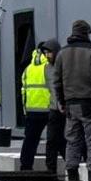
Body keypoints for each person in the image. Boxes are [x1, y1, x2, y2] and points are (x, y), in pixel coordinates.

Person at [49, 18, 91, 181]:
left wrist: (61, 101)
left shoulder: (62, 53)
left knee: (72, 140)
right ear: (87, 33)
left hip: (71, 105)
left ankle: (72, 177)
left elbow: (57, 81)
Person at [17, 39, 61, 173]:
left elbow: (24, 91)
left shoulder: (28, 69)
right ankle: (61, 168)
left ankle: (25, 166)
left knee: (30, 140)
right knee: (56, 139)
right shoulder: (48, 67)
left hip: (32, 110)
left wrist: (25, 110)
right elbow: (54, 88)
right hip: (50, 108)